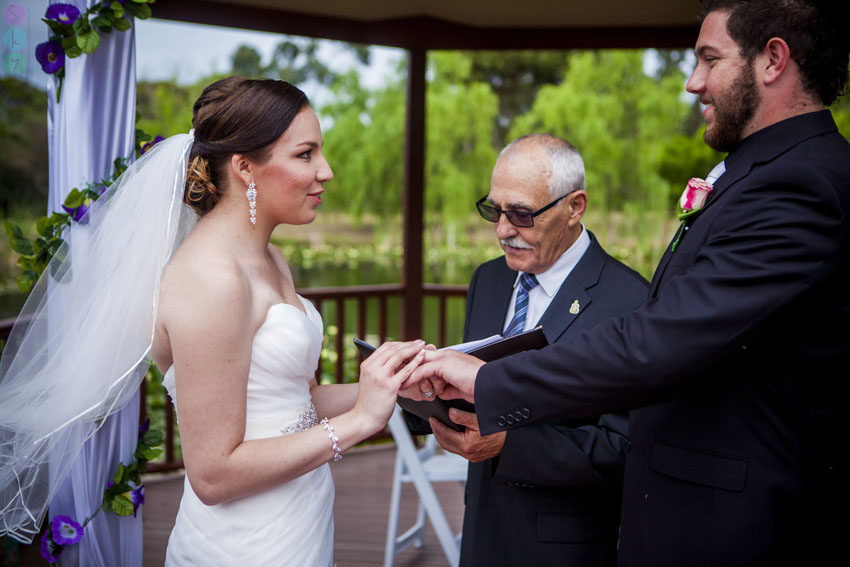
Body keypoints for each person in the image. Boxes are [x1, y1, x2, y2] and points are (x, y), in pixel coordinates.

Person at [409, 1, 850, 564]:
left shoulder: (800, 184)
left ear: (773, 60)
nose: (693, 83)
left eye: (709, 59)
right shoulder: (766, 174)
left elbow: (660, 341)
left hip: (736, 527)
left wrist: (490, 383)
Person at [0, 77, 424, 566]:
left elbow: (297, 404)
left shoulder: (272, 260)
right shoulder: (209, 279)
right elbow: (214, 476)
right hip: (245, 547)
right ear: (245, 167)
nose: (325, 171)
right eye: (306, 154)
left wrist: (393, 385)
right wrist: (360, 423)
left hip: (301, 523)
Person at [423, 134, 648, 566]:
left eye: (522, 214)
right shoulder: (487, 279)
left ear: (574, 206)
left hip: (565, 544)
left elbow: (626, 450)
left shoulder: (629, 300)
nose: (504, 230)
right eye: (495, 210)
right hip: (481, 529)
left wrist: (510, 444)